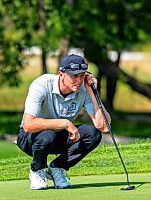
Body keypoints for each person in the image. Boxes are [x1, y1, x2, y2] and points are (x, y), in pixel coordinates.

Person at [16, 54, 111, 190]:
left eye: (82, 76)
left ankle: (57, 167)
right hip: (31, 138)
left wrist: (92, 92)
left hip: (59, 136)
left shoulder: (84, 90)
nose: (78, 81)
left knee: (93, 134)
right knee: (48, 136)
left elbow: (104, 127)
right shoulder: (42, 85)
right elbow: (28, 125)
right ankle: (36, 170)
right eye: (74, 76)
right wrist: (65, 123)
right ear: (61, 74)